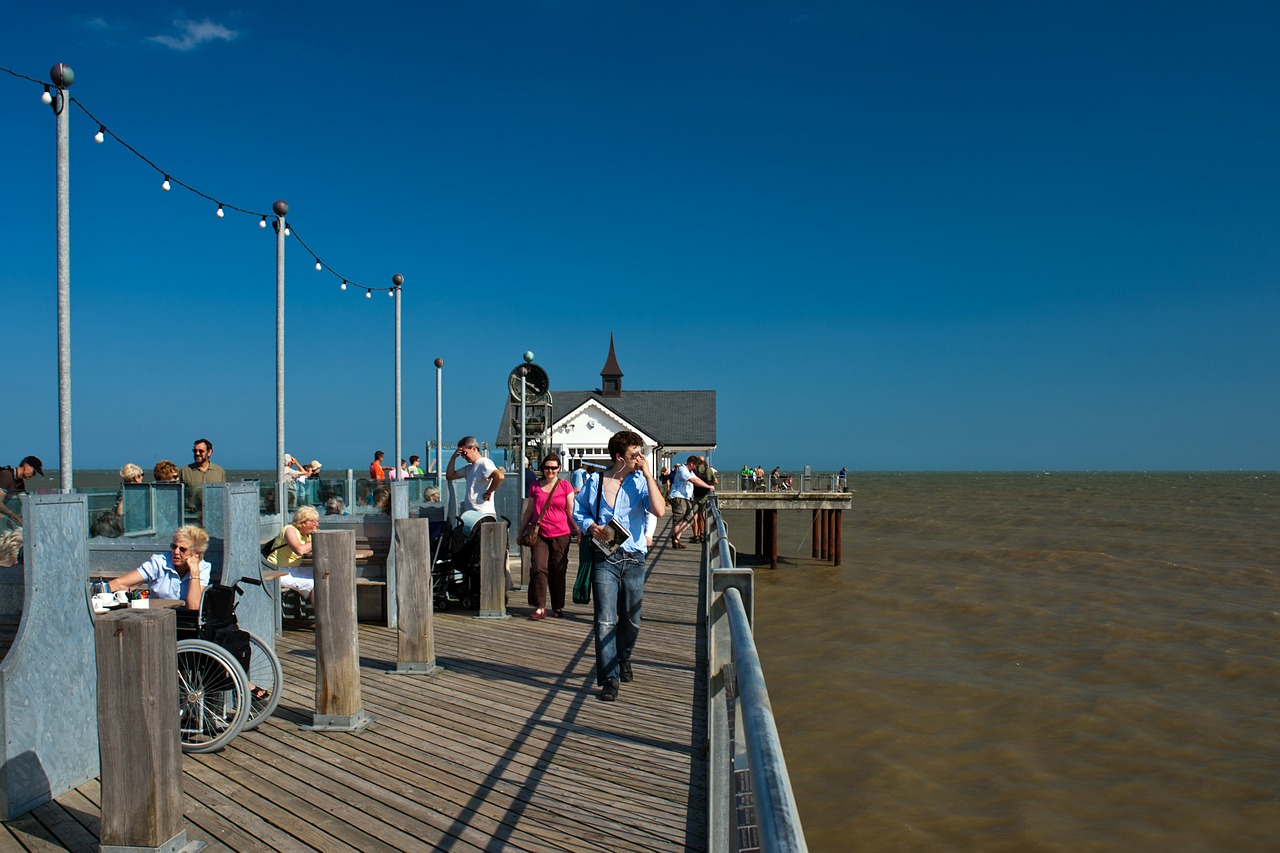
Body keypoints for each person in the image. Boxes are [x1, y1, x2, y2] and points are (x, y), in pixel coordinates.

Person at [572, 430, 665, 702]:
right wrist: (592, 526)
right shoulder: (597, 481)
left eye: (640, 453)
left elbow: (659, 511)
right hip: (606, 558)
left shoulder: (640, 481)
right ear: (619, 457)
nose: (639, 458)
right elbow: (579, 511)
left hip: (634, 558)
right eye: (634, 454)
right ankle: (609, 678)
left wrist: (649, 475)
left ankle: (624, 657)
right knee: (604, 620)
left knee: (632, 619)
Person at [519, 453, 574, 620]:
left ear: (559, 469)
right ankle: (540, 607)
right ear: (542, 468)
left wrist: (579, 530)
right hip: (539, 533)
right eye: (547, 467)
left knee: (558, 570)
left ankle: (557, 605)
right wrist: (521, 531)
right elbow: (529, 510)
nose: (550, 470)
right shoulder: (535, 486)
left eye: (554, 468)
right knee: (538, 568)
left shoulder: (565, 486)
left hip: (561, 533)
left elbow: (571, 511)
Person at [109, 524, 210, 611]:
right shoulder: (159, 562)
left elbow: (194, 607)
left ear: (196, 553)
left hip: (185, 622)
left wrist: (194, 573)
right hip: (158, 618)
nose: (176, 552)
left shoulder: (203, 568)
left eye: (182, 549)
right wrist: (101, 591)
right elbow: (121, 583)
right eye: (174, 547)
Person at [446, 436, 505, 535]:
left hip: (483, 514)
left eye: (464, 453)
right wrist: (453, 458)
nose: (464, 457)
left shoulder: (484, 463)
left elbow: (499, 476)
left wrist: (489, 492)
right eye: (462, 455)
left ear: (473, 448)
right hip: (471, 515)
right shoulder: (469, 468)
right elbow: (450, 475)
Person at [264, 506, 322, 604]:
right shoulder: (289, 530)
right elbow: (299, 550)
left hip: (293, 569)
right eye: (314, 522)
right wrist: (317, 539)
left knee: (322, 576)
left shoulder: (307, 535)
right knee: (314, 584)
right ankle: (321, 617)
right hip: (276, 570)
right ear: (304, 523)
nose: (317, 524)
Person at [667, 455, 715, 549]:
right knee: (678, 518)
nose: (696, 467)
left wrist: (707, 485)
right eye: (695, 465)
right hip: (679, 496)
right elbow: (693, 480)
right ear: (691, 464)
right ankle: (675, 540)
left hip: (687, 497)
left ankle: (676, 537)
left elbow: (697, 479)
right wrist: (708, 487)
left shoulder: (690, 471)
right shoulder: (682, 470)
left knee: (690, 518)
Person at [179, 438, 226, 522]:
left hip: (213, 517)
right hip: (191, 518)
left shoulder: (219, 471)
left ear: (209, 452)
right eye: (195, 451)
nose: (197, 453)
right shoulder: (185, 471)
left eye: (201, 451)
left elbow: (223, 496)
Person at [0, 456, 42, 527]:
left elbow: (24, 502)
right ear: (25, 466)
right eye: (34, 471)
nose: (34, 475)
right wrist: (17, 518)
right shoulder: (6, 475)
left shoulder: (20, 482)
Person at [691, 456, 717, 542]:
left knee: (694, 515)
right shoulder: (709, 470)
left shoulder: (693, 469)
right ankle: (702, 534)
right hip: (704, 496)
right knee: (702, 515)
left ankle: (696, 536)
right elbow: (715, 482)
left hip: (694, 495)